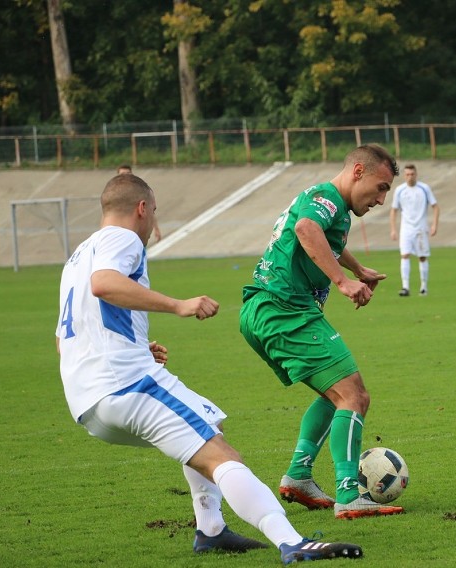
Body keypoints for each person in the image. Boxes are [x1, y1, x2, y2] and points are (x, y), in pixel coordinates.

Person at [56, 173, 362, 564]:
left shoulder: (77, 256)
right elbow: (104, 284)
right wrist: (178, 304)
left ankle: (211, 530)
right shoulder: (123, 238)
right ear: (142, 208)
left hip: (86, 397)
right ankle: (292, 542)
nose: (151, 225)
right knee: (223, 456)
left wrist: (133, 345)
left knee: (207, 425)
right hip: (126, 385)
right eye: (154, 214)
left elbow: (67, 333)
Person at [239, 144, 405, 520]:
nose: (381, 199)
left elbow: (325, 237)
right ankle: (349, 494)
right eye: (380, 187)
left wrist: (358, 269)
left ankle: (299, 476)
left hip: (266, 309)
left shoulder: (333, 207)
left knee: (336, 395)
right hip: (284, 309)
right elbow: (306, 228)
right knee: (355, 396)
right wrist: (342, 281)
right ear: (358, 171)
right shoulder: (327, 198)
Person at [389, 164, 440, 296]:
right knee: (404, 255)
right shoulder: (400, 190)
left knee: (422, 256)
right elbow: (394, 210)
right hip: (406, 228)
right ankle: (405, 287)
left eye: (412, 174)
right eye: (407, 174)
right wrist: (393, 229)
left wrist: (434, 224)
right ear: (404, 176)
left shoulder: (424, 188)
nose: (410, 177)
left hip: (421, 228)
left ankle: (424, 287)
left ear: (416, 174)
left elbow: (435, 206)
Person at [117, 165, 162, 243]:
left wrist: (156, 229)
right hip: (120, 234)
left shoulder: (139, 191)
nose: (125, 176)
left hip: (136, 233)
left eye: (128, 173)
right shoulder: (113, 194)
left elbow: (149, 210)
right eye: (122, 174)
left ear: (132, 174)